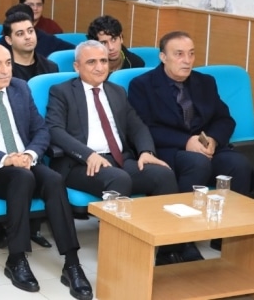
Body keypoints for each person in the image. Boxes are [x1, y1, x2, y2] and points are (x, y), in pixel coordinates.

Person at [0, 44, 92, 299]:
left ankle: (72, 263)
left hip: (24, 161)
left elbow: (41, 130)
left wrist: (29, 154)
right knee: (21, 177)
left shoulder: (20, 88)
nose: (5, 70)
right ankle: (16, 259)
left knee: (53, 180)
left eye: (7, 63)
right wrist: (5, 159)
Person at [46, 41, 193, 265]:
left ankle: (168, 250)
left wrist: (146, 151)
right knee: (119, 179)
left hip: (119, 159)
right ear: (77, 67)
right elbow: (54, 130)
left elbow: (137, 125)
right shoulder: (62, 91)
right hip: (81, 164)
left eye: (103, 61)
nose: (99, 67)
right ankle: (119, 255)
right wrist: (87, 154)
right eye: (91, 62)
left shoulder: (116, 91)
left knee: (163, 175)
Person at [127, 31, 254, 195]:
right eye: (179, 54)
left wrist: (213, 140)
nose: (187, 61)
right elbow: (142, 128)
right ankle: (179, 215)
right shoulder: (142, 85)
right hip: (168, 150)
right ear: (163, 57)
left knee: (239, 164)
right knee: (197, 163)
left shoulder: (205, 82)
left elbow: (224, 120)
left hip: (204, 149)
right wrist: (186, 141)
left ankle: (232, 217)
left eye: (191, 54)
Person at [2, 10, 59, 81]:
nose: (28, 37)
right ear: (9, 40)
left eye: (30, 31)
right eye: (20, 34)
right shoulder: (2, 70)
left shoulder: (50, 68)